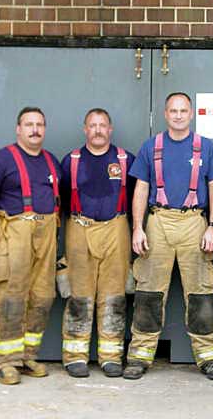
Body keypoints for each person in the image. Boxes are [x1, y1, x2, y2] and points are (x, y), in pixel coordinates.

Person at [123, 92, 213, 381]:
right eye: (173, 110)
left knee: (201, 292)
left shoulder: (205, 148)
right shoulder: (151, 146)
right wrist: (137, 227)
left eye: (183, 110)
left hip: (195, 222)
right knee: (149, 291)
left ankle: (209, 357)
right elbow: (141, 189)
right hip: (158, 222)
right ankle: (140, 356)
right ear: (165, 114)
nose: (178, 115)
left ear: (191, 114)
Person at [0, 107, 61, 385]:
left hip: (46, 232)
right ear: (18, 128)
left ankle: (27, 356)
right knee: (11, 296)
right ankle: (5, 361)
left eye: (39, 124)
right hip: (14, 233)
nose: (35, 129)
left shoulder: (51, 161)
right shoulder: (0, 160)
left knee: (42, 295)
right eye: (29, 124)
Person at [58, 108, 135, 378]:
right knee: (79, 295)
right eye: (93, 125)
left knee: (114, 296)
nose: (98, 130)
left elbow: (138, 198)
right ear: (85, 129)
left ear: (110, 129)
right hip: (80, 229)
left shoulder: (125, 160)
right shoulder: (71, 161)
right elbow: (61, 202)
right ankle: (75, 356)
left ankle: (111, 356)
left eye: (103, 125)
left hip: (116, 228)